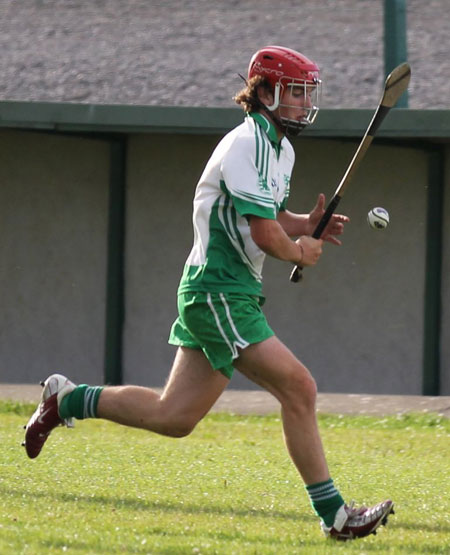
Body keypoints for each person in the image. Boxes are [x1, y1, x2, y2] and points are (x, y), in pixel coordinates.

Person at [24, 45, 393, 541]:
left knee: (173, 417)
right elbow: (265, 236)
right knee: (299, 387)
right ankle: (336, 516)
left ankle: (65, 400)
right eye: (296, 92)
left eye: (309, 93)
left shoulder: (280, 148)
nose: (305, 103)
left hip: (227, 293)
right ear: (264, 92)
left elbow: (269, 216)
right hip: (218, 291)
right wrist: (298, 252)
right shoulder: (246, 145)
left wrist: (306, 224)